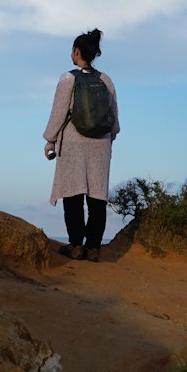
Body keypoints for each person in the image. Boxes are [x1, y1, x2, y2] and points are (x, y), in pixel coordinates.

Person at [43, 27, 119, 262]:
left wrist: (50, 141)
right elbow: (114, 121)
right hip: (100, 144)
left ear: (76, 52)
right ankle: (94, 248)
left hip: (74, 143)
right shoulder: (106, 80)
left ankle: (76, 246)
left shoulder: (68, 79)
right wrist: (108, 141)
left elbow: (58, 114)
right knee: (97, 195)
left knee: (73, 193)